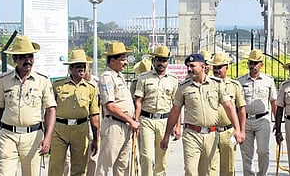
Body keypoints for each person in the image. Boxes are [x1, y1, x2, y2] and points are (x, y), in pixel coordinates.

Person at [160, 53, 243, 176]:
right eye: (187, 66)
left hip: (211, 135)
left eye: (192, 66)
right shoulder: (183, 87)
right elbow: (174, 112)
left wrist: (237, 129)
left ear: (203, 67)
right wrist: (167, 135)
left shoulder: (216, 84)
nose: (189, 69)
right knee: (190, 171)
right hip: (192, 134)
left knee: (206, 172)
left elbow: (229, 107)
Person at [0, 35, 56, 176]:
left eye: (30, 57)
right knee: (4, 173)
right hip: (8, 135)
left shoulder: (42, 80)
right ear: (14, 59)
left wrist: (47, 138)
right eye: (23, 57)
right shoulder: (4, 80)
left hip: (33, 136)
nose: (28, 60)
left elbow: (51, 110)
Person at [49, 49, 100, 175]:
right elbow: (50, 110)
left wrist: (96, 139)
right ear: (70, 68)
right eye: (78, 66)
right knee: (55, 166)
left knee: (80, 167)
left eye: (84, 66)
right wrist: (47, 135)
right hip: (60, 129)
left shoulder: (91, 89)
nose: (82, 69)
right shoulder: (58, 86)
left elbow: (94, 115)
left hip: (81, 130)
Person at [133, 46, 179, 176]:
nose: (161, 63)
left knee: (162, 159)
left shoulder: (173, 80)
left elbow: (176, 106)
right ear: (153, 61)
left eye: (164, 60)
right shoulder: (144, 78)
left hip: (165, 121)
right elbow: (138, 102)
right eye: (159, 60)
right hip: (146, 120)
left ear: (168, 62)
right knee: (147, 156)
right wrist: (136, 122)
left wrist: (177, 126)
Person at [96, 42, 139, 176]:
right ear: (113, 60)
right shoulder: (107, 77)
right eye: (123, 59)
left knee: (122, 165)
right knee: (105, 165)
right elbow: (110, 106)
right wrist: (131, 121)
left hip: (126, 126)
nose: (126, 63)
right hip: (114, 126)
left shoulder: (119, 76)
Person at [237, 49, 277, 176]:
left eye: (256, 63)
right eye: (251, 63)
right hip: (246, 121)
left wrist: (277, 122)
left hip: (262, 120)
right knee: (247, 153)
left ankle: (262, 174)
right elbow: (236, 104)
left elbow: (273, 102)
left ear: (261, 65)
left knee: (263, 151)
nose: (253, 66)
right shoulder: (240, 81)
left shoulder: (268, 81)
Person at [207, 52, 246, 175]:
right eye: (215, 67)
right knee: (210, 168)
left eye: (220, 67)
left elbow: (241, 110)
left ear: (227, 68)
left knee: (228, 169)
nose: (217, 70)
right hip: (211, 132)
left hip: (228, 132)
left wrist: (241, 131)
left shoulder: (234, 86)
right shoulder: (206, 85)